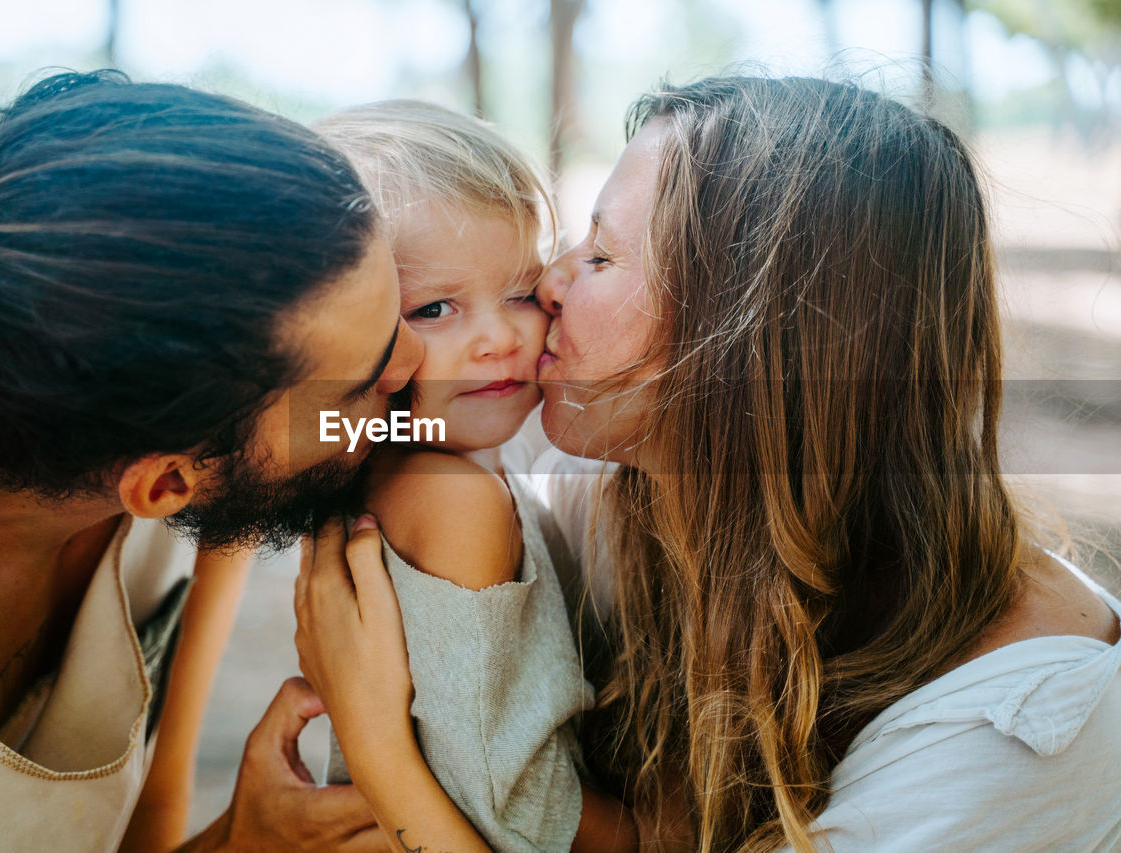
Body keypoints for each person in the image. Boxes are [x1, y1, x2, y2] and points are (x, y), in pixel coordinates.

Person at [294, 76, 1121, 852]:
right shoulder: (613, 500)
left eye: (602, 255)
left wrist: (380, 753)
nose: (547, 283)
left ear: (753, 337)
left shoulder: (1015, 729)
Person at [0, 70, 422, 852]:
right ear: (167, 482)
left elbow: (151, 808)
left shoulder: (164, 451)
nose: (417, 361)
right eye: (359, 384)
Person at [312, 101, 633, 853]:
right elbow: (509, 798)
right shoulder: (452, 500)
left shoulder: (385, 462)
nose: (497, 339)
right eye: (433, 307)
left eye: (520, 292)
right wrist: (652, 834)